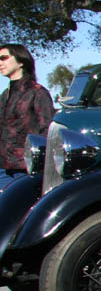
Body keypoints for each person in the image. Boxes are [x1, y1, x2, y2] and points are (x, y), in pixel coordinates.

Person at [0, 44, 56, 189]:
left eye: (4, 58)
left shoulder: (37, 92)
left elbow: (47, 131)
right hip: (3, 168)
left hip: (24, 169)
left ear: (20, 61)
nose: (0, 63)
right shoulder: (5, 95)